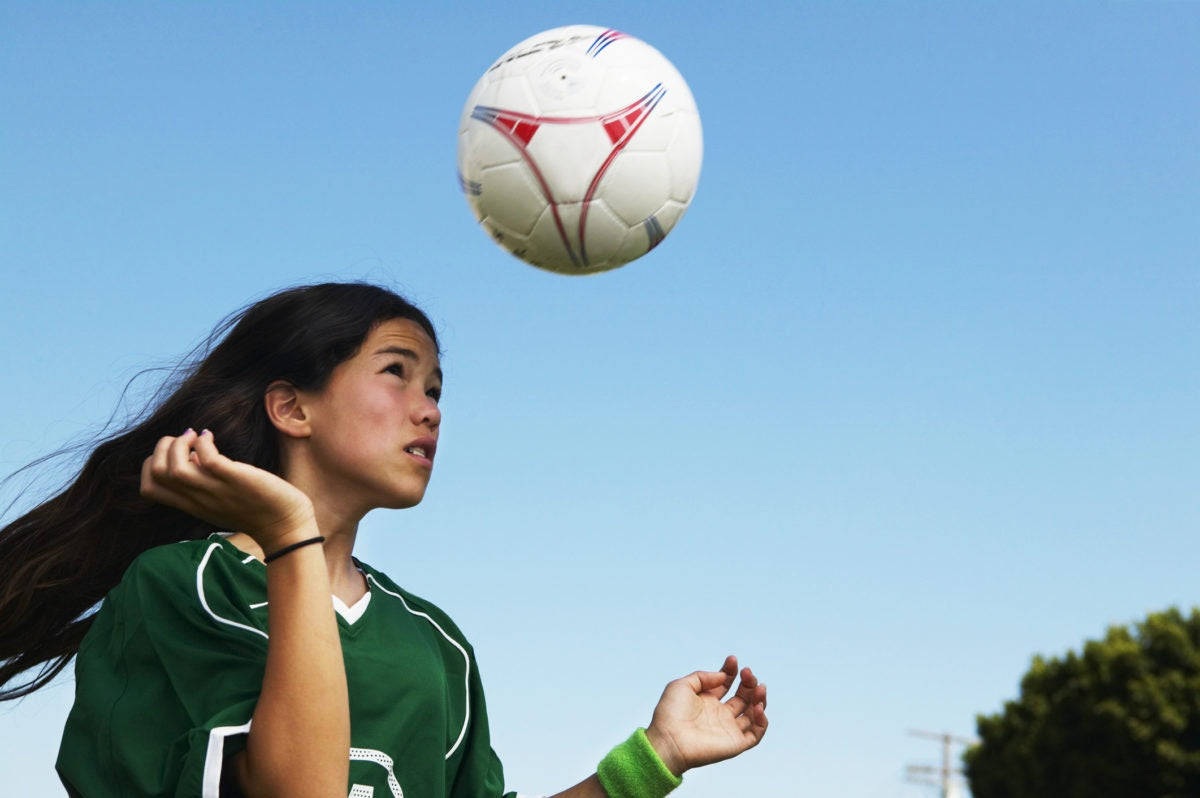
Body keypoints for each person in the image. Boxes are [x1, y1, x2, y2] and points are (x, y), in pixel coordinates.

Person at [0, 282, 768, 797]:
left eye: (436, 388)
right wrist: (292, 537)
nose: (428, 408)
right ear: (291, 409)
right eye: (397, 374)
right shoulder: (183, 586)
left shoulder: (434, 643)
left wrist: (654, 758)